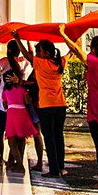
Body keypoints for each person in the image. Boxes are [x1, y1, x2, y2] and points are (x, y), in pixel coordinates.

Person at [60, 24, 98, 190]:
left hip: (96, 109)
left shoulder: (93, 63)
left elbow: (77, 50)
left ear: (92, 49)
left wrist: (62, 34)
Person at [14, 31, 67, 177]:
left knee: (49, 137)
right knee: (58, 136)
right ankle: (61, 167)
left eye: (40, 50)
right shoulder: (60, 62)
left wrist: (17, 38)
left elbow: (26, 54)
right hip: (60, 104)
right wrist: (66, 37)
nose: (37, 53)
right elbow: (72, 52)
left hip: (46, 105)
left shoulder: (40, 63)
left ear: (46, 52)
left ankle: (54, 170)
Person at [0, 39, 30, 166]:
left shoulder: (4, 61)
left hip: (3, 105)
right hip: (18, 105)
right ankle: (13, 161)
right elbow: (30, 56)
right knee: (16, 136)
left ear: (9, 50)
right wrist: (28, 42)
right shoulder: (23, 62)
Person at [1, 69, 38, 173]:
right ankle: (16, 164)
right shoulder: (22, 89)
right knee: (21, 140)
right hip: (23, 113)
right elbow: (27, 101)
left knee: (12, 142)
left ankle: (20, 165)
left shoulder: (5, 91)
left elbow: (5, 105)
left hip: (12, 114)